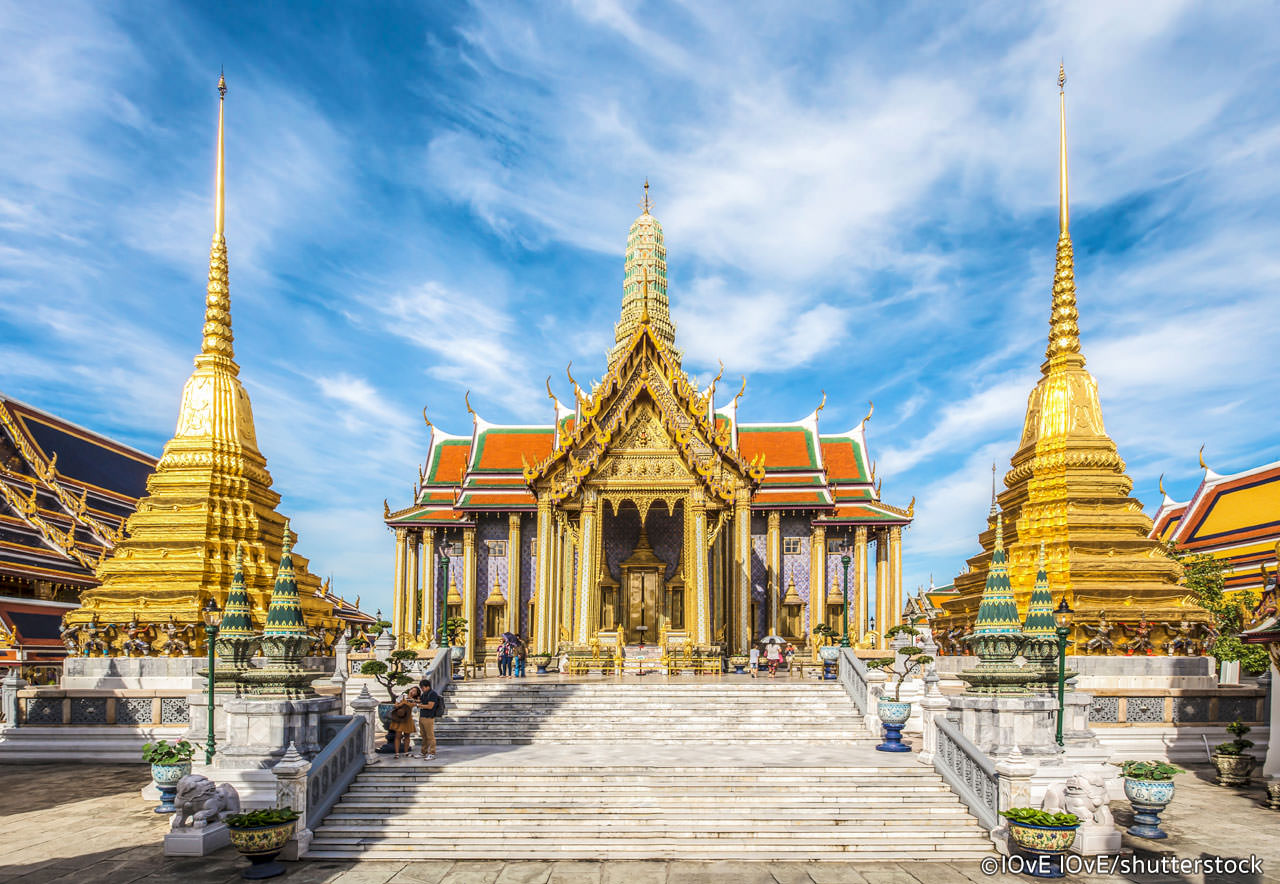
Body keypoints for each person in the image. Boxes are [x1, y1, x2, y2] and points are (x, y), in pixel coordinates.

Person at [416, 678, 443, 760]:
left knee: (430, 736)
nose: (422, 689)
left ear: (427, 686)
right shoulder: (424, 694)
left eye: (422, 687)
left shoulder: (432, 694)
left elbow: (430, 706)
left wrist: (419, 706)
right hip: (422, 716)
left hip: (429, 717)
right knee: (424, 736)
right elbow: (421, 701)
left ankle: (432, 753)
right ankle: (423, 752)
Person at [388, 687, 417, 758]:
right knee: (398, 736)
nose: (412, 692)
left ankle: (406, 752)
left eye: (415, 691)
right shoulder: (403, 696)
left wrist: (412, 703)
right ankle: (397, 754)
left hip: (408, 719)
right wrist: (402, 703)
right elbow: (395, 705)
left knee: (407, 736)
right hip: (400, 718)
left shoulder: (414, 700)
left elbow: (415, 711)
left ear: (416, 694)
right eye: (412, 690)